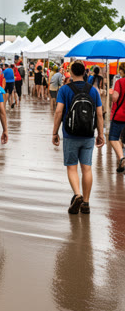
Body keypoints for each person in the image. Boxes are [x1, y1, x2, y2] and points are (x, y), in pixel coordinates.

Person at [53, 60, 104, 215]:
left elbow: (58, 112)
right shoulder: (93, 91)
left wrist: (55, 132)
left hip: (70, 134)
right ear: (84, 72)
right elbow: (100, 114)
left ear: (71, 72)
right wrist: (100, 134)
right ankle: (86, 203)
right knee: (87, 168)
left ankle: (77, 194)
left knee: (72, 167)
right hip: (88, 134)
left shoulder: (64, 90)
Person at [109, 62, 125, 173]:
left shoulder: (119, 82)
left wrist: (112, 95)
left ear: (122, 71)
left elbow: (115, 97)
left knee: (113, 138)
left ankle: (121, 157)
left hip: (119, 115)